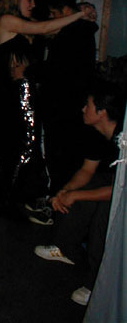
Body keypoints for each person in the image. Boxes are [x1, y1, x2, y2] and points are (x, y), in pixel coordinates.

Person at [0, 0, 95, 220]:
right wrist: (79, 13)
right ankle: (7, 202)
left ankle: (14, 198)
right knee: (23, 145)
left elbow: (53, 29)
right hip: (14, 92)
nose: (34, 4)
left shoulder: (27, 24)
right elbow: (47, 27)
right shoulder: (6, 20)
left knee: (27, 145)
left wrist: (83, 10)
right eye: (29, 0)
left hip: (28, 91)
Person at [34, 80, 126, 306]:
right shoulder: (96, 134)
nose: (83, 109)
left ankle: (97, 286)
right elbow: (87, 170)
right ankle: (66, 248)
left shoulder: (123, 138)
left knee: (103, 214)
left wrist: (76, 195)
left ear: (102, 112)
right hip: (112, 185)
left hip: (121, 193)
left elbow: (118, 192)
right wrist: (66, 192)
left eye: (88, 105)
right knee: (83, 187)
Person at [40, 0, 99, 195]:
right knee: (68, 156)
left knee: (60, 156)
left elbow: (56, 70)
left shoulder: (72, 33)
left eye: (53, 13)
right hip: (74, 104)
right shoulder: (83, 30)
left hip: (63, 105)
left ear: (65, 11)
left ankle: (58, 198)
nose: (51, 18)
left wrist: (28, 70)